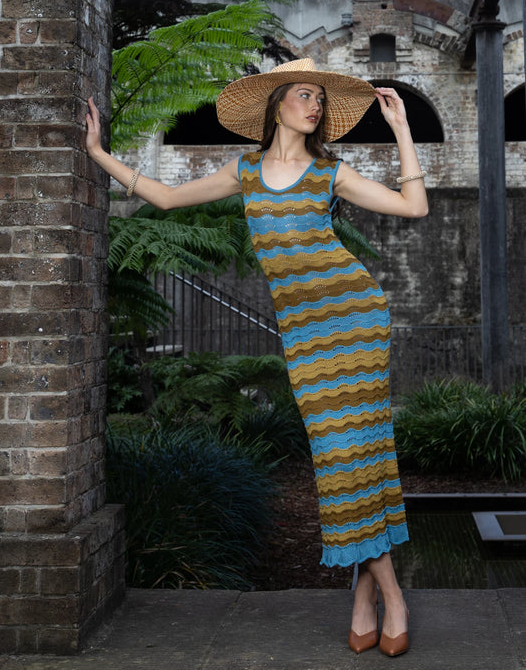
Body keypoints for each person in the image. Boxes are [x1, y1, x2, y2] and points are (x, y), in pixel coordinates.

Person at [85, 57, 428, 657]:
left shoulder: (330, 172)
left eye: (320, 98)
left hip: (356, 320)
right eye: (304, 94)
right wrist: (96, 152)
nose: (314, 105)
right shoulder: (244, 172)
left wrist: (400, 130)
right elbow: (164, 198)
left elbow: (414, 208)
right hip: (305, 335)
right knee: (337, 456)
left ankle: (374, 597)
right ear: (276, 105)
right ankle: (381, 591)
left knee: (363, 449)